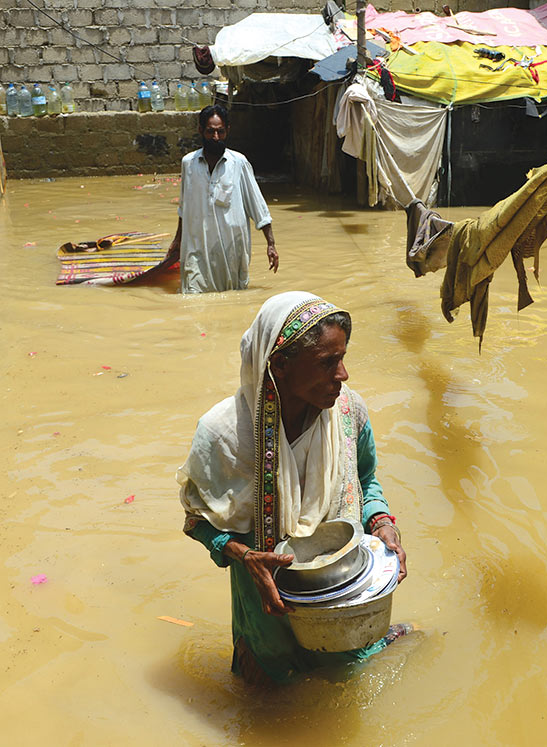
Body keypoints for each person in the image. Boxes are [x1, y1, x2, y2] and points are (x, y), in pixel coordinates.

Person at [177, 291, 408, 685]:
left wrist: (382, 522)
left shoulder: (349, 412)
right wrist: (246, 555)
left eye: (343, 358)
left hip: (338, 594)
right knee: (268, 703)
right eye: (327, 363)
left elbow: (367, 481)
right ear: (279, 366)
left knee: (344, 687)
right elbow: (198, 521)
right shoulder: (224, 435)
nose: (343, 375)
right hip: (265, 608)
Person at [166, 105, 279, 293]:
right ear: (200, 130)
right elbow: (184, 207)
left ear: (228, 131)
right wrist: (177, 241)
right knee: (193, 297)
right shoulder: (189, 163)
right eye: (210, 132)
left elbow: (257, 205)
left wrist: (271, 244)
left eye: (220, 132)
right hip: (197, 247)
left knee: (231, 295)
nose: (216, 137)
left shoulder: (239, 163)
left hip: (231, 249)